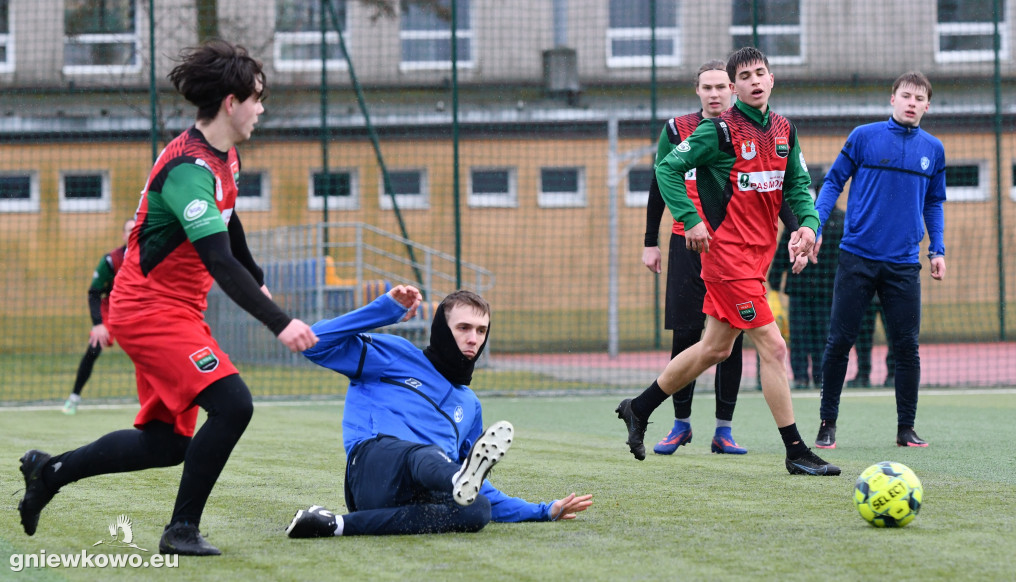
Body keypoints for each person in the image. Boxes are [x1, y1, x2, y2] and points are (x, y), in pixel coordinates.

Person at [17, 40, 319, 556]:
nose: (261, 109)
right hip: (147, 311)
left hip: (178, 311)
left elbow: (230, 222)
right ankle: (180, 531)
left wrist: (258, 276)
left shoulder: (225, 157)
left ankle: (49, 472)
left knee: (166, 444)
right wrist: (279, 321)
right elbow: (219, 261)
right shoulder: (188, 171)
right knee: (233, 404)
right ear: (231, 102)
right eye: (257, 98)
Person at [615, 47, 840, 476]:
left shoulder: (785, 129)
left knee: (715, 349)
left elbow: (797, 185)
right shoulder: (718, 131)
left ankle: (638, 408)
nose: (754, 81)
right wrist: (690, 220)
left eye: (760, 73)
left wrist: (808, 226)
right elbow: (666, 170)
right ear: (735, 87)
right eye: (745, 76)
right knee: (774, 347)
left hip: (757, 259)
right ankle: (796, 450)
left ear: (771, 80)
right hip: (726, 259)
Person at [285, 286, 593, 538]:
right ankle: (452, 476)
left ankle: (333, 525)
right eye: (463, 328)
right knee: (429, 456)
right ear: (442, 329)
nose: (473, 338)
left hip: (419, 494)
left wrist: (544, 511)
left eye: (481, 330)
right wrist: (386, 310)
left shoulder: (470, 404)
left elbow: (474, 485)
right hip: (372, 468)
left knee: (477, 510)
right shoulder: (395, 355)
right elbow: (313, 343)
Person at [813, 71, 946, 449]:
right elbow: (833, 182)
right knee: (839, 342)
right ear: (893, 98)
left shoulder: (934, 149)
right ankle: (827, 424)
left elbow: (934, 202)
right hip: (857, 258)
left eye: (919, 98)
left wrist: (937, 249)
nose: (911, 103)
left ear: (927, 106)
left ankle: (906, 429)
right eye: (906, 96)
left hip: (903, 265)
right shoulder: (863, 137)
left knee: (907, 347)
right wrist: (815, 225)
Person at [642, 60, 747, 456]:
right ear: (697, 90)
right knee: (686, 334)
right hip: (685, 244)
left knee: (730, 338)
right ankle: (680, 424)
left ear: (733, 90)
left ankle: (724, 430)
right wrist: (650, 241)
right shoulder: (676, 129)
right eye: (707, 87)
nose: (715, 93)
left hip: (733, 247)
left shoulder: (746, 131)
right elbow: (659, 182)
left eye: (721, 86)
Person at [767, 185, 843, 391]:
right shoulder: (841, 220)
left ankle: (801, 377)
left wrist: (774, 281)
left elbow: (783, 251)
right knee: (822, 335)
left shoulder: (802, 221)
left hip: (801, 287)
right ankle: (820, 376)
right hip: (825, 290)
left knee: (800, 335)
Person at [62, 218, 136, 415]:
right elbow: (94, 293)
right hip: (113, 308)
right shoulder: (111, 260)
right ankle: (74, 398)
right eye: (129, 230)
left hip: (140, 309)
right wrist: (98, 324)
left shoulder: (151, 256)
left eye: (136, 229)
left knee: (152, 352)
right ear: (123, 235)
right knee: (94, 347)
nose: (133, 233)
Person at [849, 295, 895, 388]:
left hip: (889, 295)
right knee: (863, 337)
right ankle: (863, 375)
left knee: (895, 335)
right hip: (866, 295)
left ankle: (893, 374)